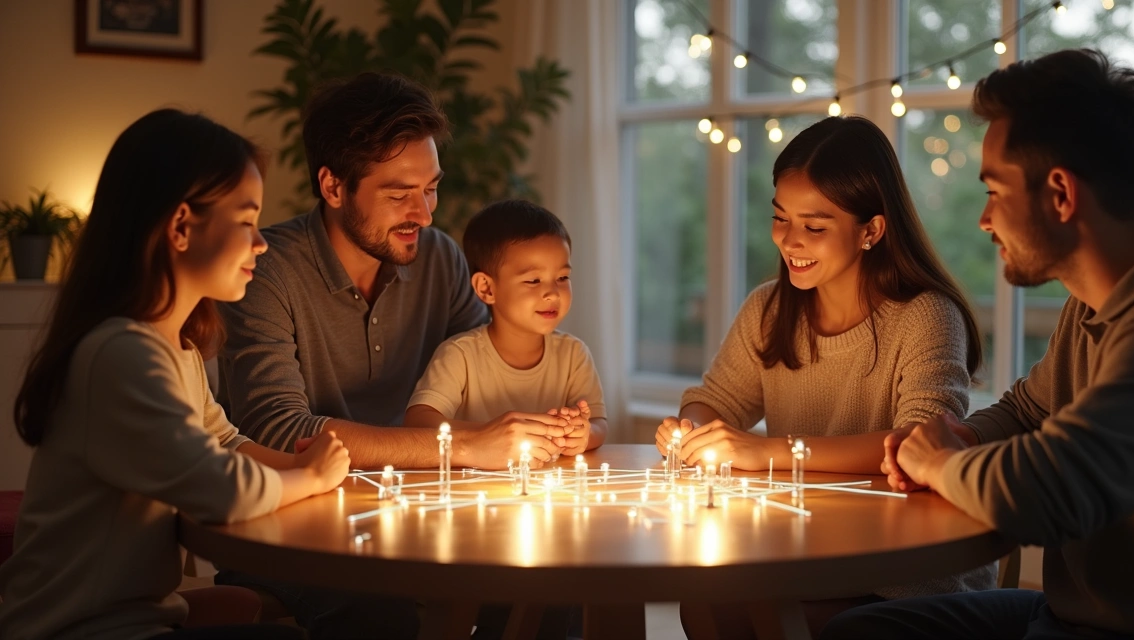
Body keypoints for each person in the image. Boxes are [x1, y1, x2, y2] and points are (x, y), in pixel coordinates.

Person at [822, 49, 1134, 640]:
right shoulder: (1097, 296)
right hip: (1063, 612)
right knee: (855, 632)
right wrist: (966, 434)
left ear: (1060, 194)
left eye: (995, 191)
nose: (984, 220)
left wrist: (939, 460)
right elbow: (1031, 410)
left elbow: (1052, 491)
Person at [215, 71, 573, 639]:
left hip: (422, 516)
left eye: (431, 188)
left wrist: (554, 422)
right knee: (376, 611)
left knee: (550, 589)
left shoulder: (439, 258)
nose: (425, 213)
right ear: (333, 187)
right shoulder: (267, 272)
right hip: (294, 525)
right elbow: (281, 429)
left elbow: (485, 378)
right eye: (399, 193)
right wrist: (466, 445)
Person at [0, 109, 350, 640]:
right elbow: (219, 488)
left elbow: (222, 441)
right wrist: (310, 478)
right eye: (246, 221)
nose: (261, 243)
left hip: (139, 616)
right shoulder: (120, 355)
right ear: (182, 226)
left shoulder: (176, 347)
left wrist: (316, 471)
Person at [656, 115, 994, 637]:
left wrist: (764, 450)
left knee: (767, 618)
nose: (790, 241)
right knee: (704, 604)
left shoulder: (925, 315)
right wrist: (694, 429)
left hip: (904, 573)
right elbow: (714, 399)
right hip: (802, 551)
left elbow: (925, 443)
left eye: (814, 227)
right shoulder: (768, 309)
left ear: (871, 230)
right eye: (780, 218)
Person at [406, 199, 607, 459]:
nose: (552, 292)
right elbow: (418, 421)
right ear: (487, 289)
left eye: (562, 278)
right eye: (533, 280)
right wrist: (489, 437)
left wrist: (583, 435)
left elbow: (599, 423)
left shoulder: (574, 355)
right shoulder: (459, 355)